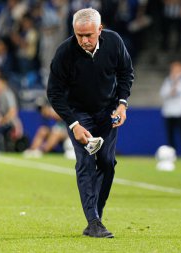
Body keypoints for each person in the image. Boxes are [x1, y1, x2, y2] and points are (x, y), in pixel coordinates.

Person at [47, 8, 134, 238]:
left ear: (100, 29)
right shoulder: (65, 52)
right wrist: (74, 124)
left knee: (107, 163)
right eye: (79, 35)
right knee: (85, 163)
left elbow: (126, 72)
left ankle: (96, 216)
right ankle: (93, 221)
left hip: (107, 112)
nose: (84, 40)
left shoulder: (114, 42)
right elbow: (54, 93)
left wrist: (122, 104)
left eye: (89, 35)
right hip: (79, 114)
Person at [160, 61, 181, 155]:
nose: (174, 71)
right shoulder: (168, 80)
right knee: (170, 136)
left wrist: (175, 81)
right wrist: (173, 82)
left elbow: (177, 91)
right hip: (169, 112)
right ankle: (171, 154)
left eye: (177, 69)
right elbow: (163, 93)